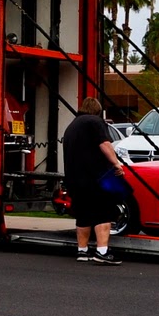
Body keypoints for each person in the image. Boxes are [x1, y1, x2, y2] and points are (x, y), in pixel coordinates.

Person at [61, 97, 127, 264]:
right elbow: (104, 144)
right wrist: (116, 163)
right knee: (103, 213)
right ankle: (102, 252)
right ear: (98, 111)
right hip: (95, 178)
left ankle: (82, 251)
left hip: (74, 178)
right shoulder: (95, 122)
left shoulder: (72, 125)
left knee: (83, 215)